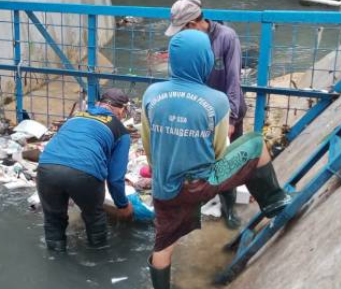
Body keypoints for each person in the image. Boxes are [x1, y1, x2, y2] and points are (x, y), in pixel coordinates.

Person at [141, 30, 292, 289]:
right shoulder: (217, 100)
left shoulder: (151, 94)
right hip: (201, 183)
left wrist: (159, 171)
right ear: (204, 60)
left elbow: (148, 143)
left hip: (165, 187)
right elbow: (220, 152)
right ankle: (274, 202)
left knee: (163, 244)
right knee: (255, 141)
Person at [165, 0, 247, 229]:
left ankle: (228, 208)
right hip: (199, 110)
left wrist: (230, 118)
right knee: (197, 158)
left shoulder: (226, 38)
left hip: (226, 111)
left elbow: (233, 80)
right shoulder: (185, 43)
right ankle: (197, 202)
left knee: (228, 160)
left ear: (191, 24)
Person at [37, 88, 134, 251]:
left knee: (53, 220)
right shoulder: (120, 131)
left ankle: (56, 259)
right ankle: (98, 263)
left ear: (98, 104)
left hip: (46, 168)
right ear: (122, 109)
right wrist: (123, 205)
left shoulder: (76, 117)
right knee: (94, 219)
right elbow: (115, 178)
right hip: (84, 173)